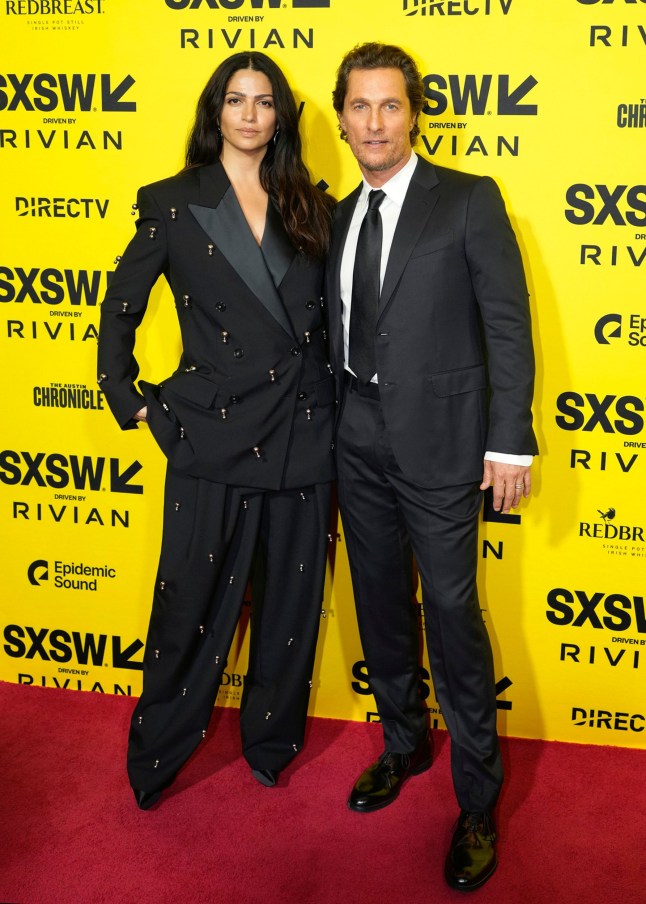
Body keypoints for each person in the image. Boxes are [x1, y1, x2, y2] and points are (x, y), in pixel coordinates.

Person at [97, 51, 336, 810]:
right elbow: (120, 306)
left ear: (281, 117)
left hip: (303, 433)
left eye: (265, 102)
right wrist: (126, 396)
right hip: (211, 433)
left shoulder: (314, 204)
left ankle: (270, 745)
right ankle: (161, 751)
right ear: (215, 111)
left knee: (291, 609)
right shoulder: (173, 201)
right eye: (236, 99)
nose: (251, 114)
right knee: (187, 604)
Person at [326, 43, 537, 891]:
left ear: (414, 114)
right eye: (359, 107)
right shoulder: (339, 214)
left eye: (390, 106)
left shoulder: (469, 200)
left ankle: (478, 800)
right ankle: (404, 744)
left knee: (452, 615)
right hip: (357, 435)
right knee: (379, 604)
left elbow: (508, 325)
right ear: (340, 118)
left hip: (446, 445)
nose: (374, 122)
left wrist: (509, 440)